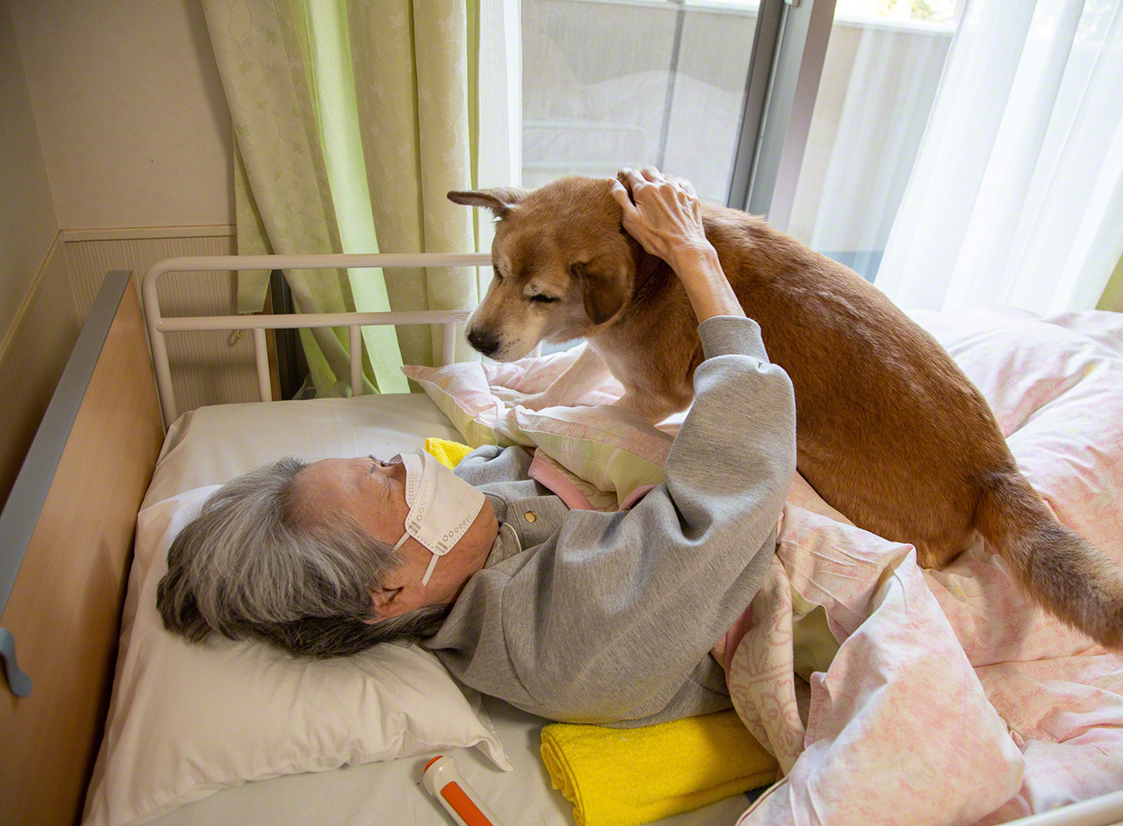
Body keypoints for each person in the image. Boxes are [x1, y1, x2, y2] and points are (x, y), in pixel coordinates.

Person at [157, 167, 797, 726]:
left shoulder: (471, 511)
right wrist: (697, 260)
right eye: (384, 481)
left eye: (381, 458)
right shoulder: (559, 642)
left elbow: (537, 438)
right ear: (388, 592)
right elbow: (736, 484)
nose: (408, 464)